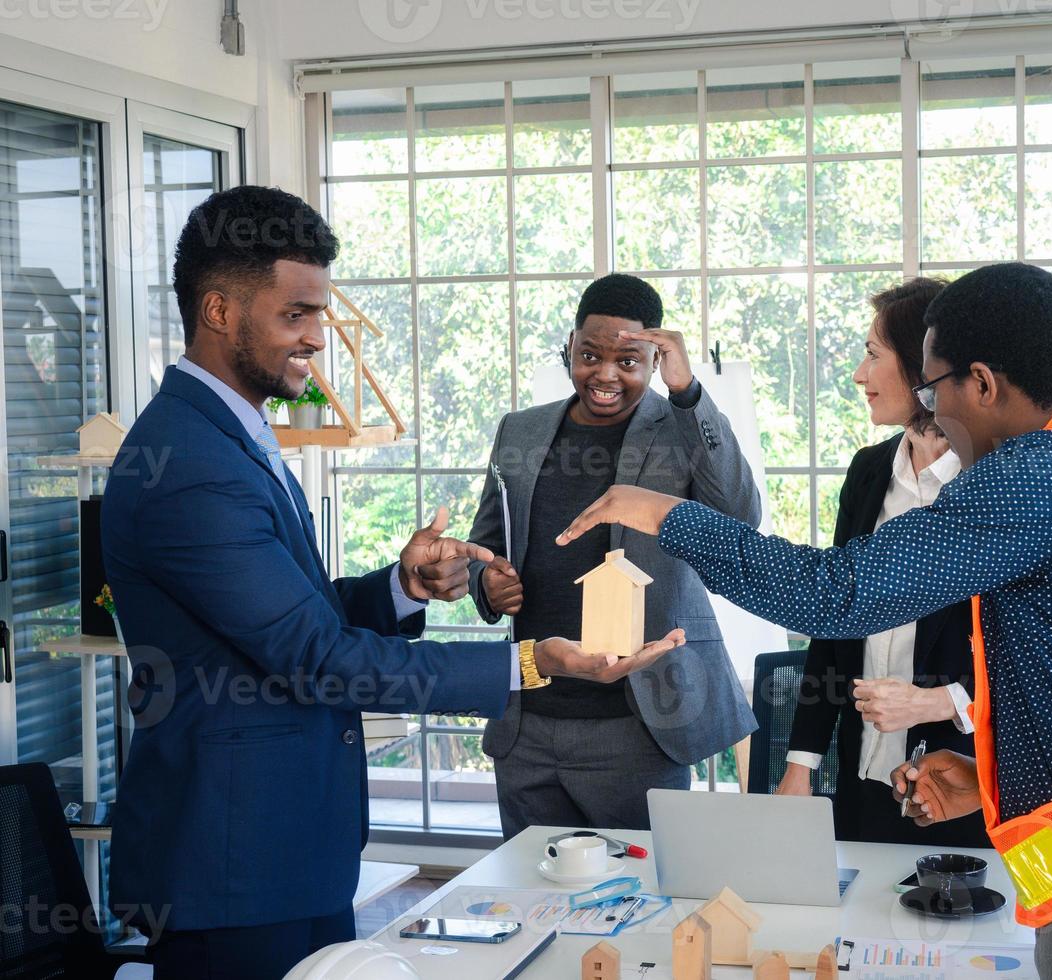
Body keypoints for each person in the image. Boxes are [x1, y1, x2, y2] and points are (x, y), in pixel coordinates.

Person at [554, 263, 1052, 978]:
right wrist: (988, 776)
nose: (931, 412)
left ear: (982, 384)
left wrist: (665, 513)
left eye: (932, 388)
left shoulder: (1038, 474)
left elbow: (833, 594)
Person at [101, 187, 683, 980]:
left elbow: (288, 615)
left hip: (281, 849)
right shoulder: (190, 468)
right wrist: (530, 662)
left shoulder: (225, 435)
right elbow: (316, 658)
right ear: (219, 311)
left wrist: (400, 589)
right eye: (296, 315)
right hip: (232, 860)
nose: (316, 339)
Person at [463, 273, 760, 838]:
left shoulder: (681, 428)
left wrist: (688, 392)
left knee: (643, 902)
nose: (604, 374)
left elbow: (740, 516)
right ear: (570, 346)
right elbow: (488, 541)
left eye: (628, 361)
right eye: (590, 355)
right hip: (528, 716)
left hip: (641, 721)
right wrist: (486, 582)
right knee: (535, 897)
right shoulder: (520, 430)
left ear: (654, 360)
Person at [776, 277, 987, 849]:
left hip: (959, 788)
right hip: (863, 776)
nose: (859, 375)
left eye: (873, 355)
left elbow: (1025, 659)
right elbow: (833, 616)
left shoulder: (992, 483)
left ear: (926, 368)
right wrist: (802, 761)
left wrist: (935, 703)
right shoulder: (868, 472)